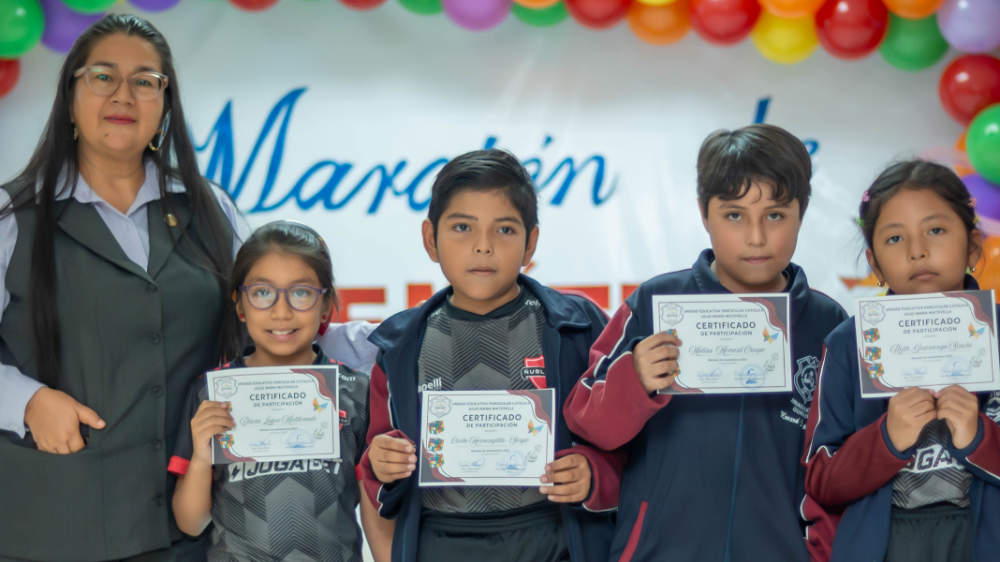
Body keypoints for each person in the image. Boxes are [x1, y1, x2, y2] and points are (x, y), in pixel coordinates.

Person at [0, 15, 374, 562]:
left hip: (192, 533)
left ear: (166, 103)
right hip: (56, 526)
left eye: (145, 81)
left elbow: (272, 326)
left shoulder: (210, 208)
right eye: (103, 76)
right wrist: (26, 400)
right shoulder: (14, 216)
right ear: (70, 96)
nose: (123, 94)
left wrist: (404, 340)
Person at [564, 125, 847, 562]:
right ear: (704, 213)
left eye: (775, 215)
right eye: (734, 215)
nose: (756, 237)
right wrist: (634, 379)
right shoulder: (653, 303)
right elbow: (586, 421)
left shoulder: (828, 323)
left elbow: (839, 464)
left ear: (801, 212)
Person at [359, 149, 623, 562]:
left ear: (530, 243)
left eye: (504, 229)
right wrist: (381, 465)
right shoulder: (400, 345)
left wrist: (595, 474)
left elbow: (625, 439)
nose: (483, 247)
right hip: (441, 543)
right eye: (462, 227)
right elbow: (375, 469)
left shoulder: (579, 327)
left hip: (556, 540)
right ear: (430, 239)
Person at [804, 160, 1000, 562]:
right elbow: (821, 480)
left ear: (973, 244)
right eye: (894, 238)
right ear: (874, 263)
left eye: (936, 230)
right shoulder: (847, 345)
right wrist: (885, 439)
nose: (917, 251)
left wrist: (981, 438)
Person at [170, 221, 394, 562]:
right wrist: (202, 456)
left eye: (301, 292)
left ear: (325, 305)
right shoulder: (210, 393)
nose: (281, 311)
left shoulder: (356, 392)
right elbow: (190, 523)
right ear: (239, 304)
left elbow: (375, 509)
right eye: (262, 292)